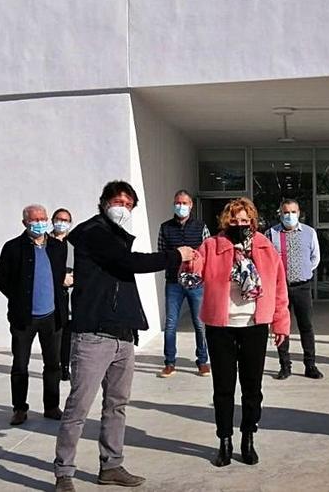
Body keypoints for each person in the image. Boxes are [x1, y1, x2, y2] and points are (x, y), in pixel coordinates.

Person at [54, 181, 194, 492]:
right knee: (79, 407)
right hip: (93, 335)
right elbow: (129, 263)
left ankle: (112, 465)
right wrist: (176, 256)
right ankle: (64, 472)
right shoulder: (93, 233)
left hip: (122, 335)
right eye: (118, 201)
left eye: (129, 204)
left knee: (117, 404)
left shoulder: (116, 237)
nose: (123, 208)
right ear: (103, 203)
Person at [181, 198, 290, 468]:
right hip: (221, 327)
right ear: (225, 222)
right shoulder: (211, 246)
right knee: (223, 388)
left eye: (244, 221)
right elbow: (192, 276)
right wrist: (189, 261)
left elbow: (278, 289)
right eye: (234, 220)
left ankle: (248, 437)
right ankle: (225, 439)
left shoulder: (265, 248)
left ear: (252, 222)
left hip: (254, 325)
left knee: (253, 388)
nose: (239, 225)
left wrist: (280, 323)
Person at [0, 204, 68, 426]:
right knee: (20, 365)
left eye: (43, 218)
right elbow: (2, 280)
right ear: (25, 222)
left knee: (53, 364)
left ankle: (52, 406)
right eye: (35, 219)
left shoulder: (57, 247)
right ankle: (19, 408)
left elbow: (60, 277)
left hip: (52, 316)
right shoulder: (13, 248)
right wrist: (19, 300)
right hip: (24, 318)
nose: (40, 222)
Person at [264, 198, 323, 380]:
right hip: (280, 289)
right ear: (280, 214)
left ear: (299, 213)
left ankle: (310, 365)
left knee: (306, 326)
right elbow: (266, 260)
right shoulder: (271, 234)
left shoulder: (309, 232)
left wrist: (302, 271)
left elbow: (315, 258)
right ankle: (285, 365)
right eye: (286, 212)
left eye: (293, 212)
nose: (289, 215)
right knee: (282, 328)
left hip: (302, 287)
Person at [156, 190, 211, 378]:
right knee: (171, 323)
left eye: (184, 202)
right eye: (178, 202)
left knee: (199, 323)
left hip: (196, 283)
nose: (181, 206)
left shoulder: (201, 226)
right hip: (173, 282)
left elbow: (207, 252)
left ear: (191, 205)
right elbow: (162, 254)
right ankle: (170, 362)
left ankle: (202, 361)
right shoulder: (165, 228)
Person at [51, 208, 75, 382]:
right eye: (59, 219)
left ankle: (65, 367)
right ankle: (54, 365)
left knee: (68, 333)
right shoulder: (45, 242)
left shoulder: (73, 243)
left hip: (70, 293)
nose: (62, 222)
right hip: (51, 295)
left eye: (65, 220)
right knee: (54, 332)